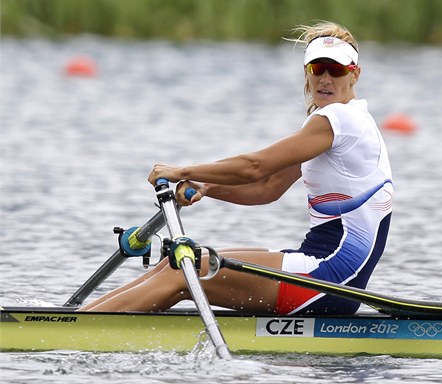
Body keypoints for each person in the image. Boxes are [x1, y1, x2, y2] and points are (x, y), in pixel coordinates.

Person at [81, 21, 393, 315]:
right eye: (317, 68)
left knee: (183, 271)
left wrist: (181, 172)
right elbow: (267, 188)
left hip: (330, 277)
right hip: (326, 272)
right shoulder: (338, 123)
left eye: (336, 70)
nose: (325, 78)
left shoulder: (341, 120)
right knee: (173, 265)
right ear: (306, 72)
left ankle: (76, 331)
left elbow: (255, 167)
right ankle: (77, 318)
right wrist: (208, 187)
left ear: (355, 74)